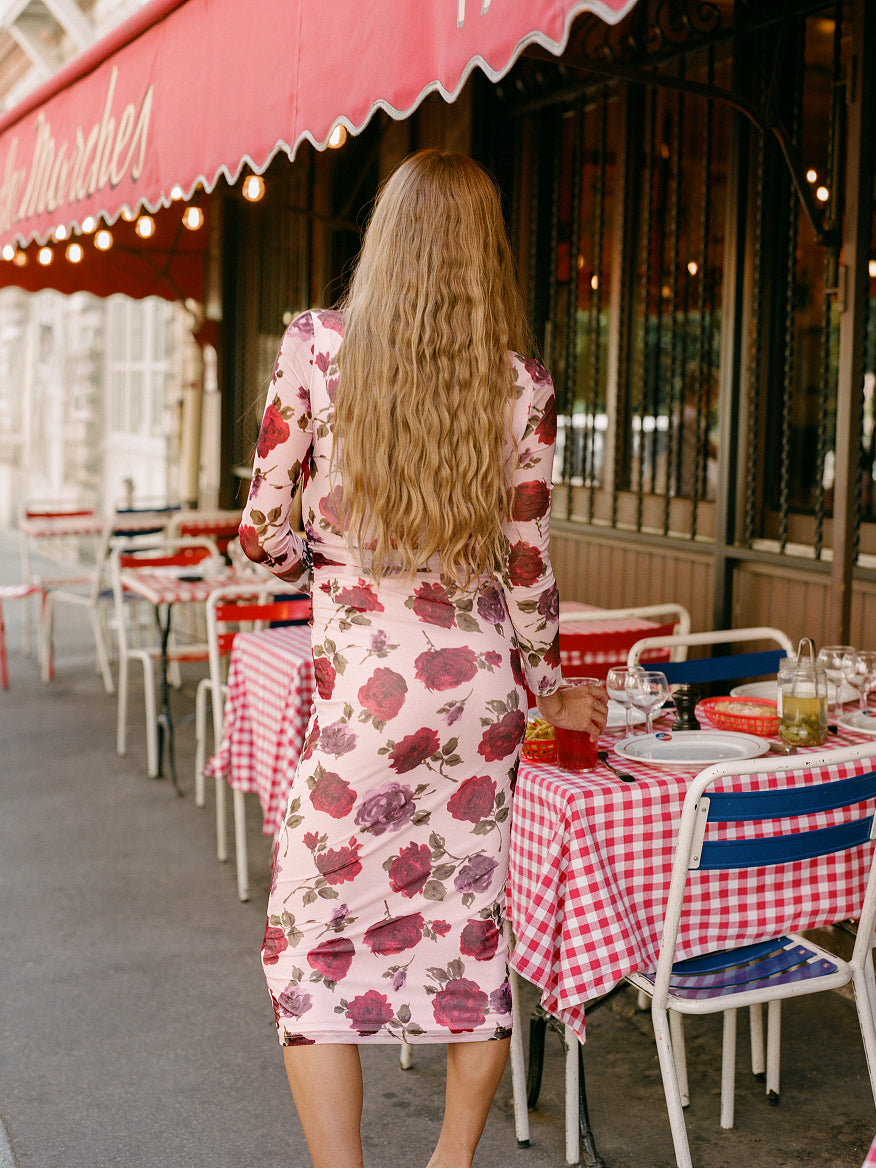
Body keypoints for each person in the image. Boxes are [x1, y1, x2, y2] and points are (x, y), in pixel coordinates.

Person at [239, 149, 607, 1168]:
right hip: (479, 694)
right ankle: (450, 1161)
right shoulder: (524, 386)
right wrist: (549, 687)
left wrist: (319, 561)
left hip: (368, 694)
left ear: (386, 239)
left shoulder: (317, 347)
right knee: (467, 931)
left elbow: (261, 530)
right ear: (488, 252)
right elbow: (528, 568)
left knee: (311, 941)